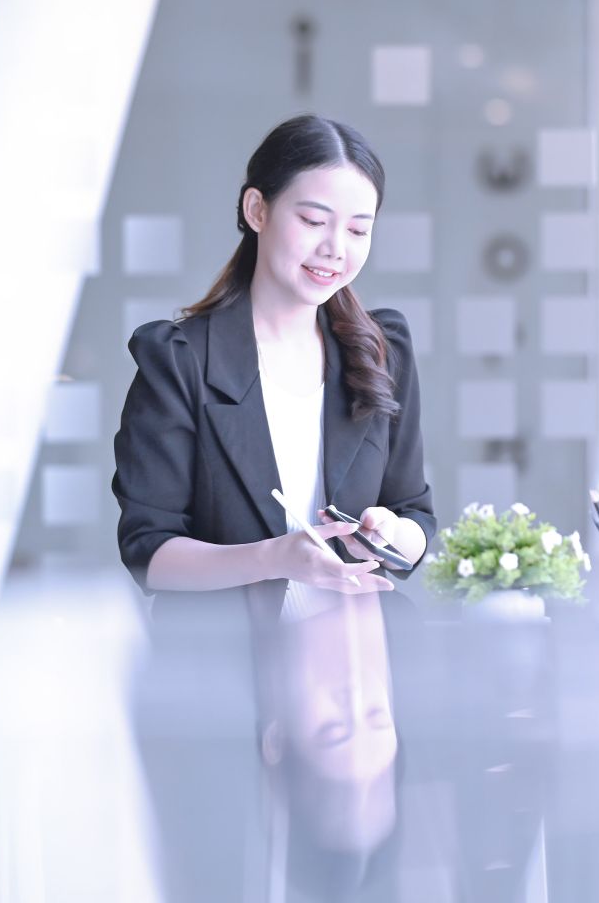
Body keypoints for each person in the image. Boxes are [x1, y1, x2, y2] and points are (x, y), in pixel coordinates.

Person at [112, 114, 435, 624]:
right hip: (222, 674)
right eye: (312, 221)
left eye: (357, 229)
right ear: (257, 209)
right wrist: (275, 558)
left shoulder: (380, 349)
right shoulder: (179, 358)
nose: (335, 248)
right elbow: (149, 554)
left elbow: (416, 517)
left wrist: (393, 534)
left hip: (357, 662)